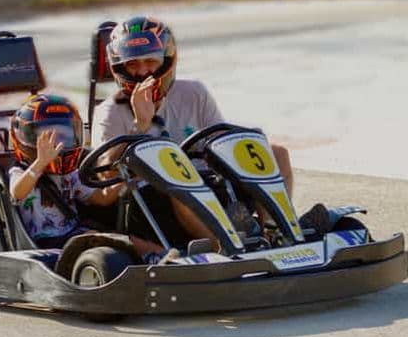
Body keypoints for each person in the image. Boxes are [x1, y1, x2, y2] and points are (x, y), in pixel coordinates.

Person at [91, 16, 297, 244]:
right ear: (120, 68)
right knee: (178, 175)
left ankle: (275, 230)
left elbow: (222, 143)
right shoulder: (108, 112)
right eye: (133, 64)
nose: (142, 72)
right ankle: (228, 247)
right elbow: (105, 174)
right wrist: (140, 123)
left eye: (150, 61)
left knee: (276, 153)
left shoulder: (193, 93)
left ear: (167, 61)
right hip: (152, 202)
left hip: (207, 182)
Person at [9, 93, 172, 259]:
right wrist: (40, 163)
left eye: (64, 136)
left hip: (75, 234)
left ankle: (167, 257)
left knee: (124, 237)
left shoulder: (69, 175)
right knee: (96, 237)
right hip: (45, 243)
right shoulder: (21, 172)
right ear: (27, 139)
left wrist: (130, 178)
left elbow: (101, 198)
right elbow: (17, 193)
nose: (58, 144)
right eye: (48, 138)